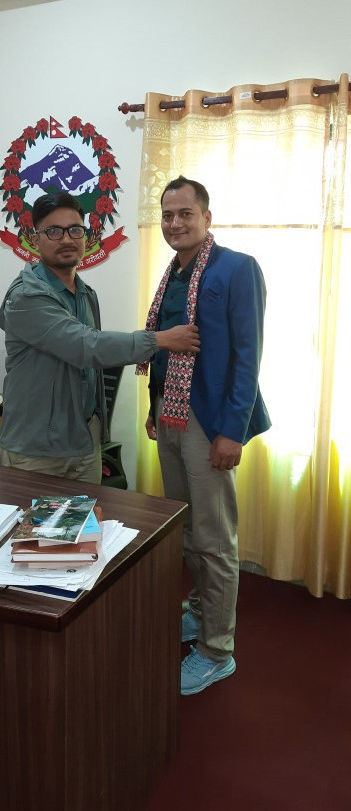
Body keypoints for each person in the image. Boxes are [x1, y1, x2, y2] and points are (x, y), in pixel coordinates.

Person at [139, 176, 271, 695]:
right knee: (186, 528)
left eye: (185, 213)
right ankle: (199, 610)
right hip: (170, 415)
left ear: (207, 217)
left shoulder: (236, 268)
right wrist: (154, 409)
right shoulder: (173, 274)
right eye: (167, 215)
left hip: (210, 421)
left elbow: (247, 356)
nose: (175, 223)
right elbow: (164, 347)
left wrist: (231, 432)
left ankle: (217, 651)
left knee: (214, 538)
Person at [0, 191, 200, 483]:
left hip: (83, 444)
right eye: (53, 231)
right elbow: (86, 346)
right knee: (34, 517)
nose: (66, 239)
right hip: (36, 451)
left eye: (75, 230)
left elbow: (90, 368)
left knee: (91, 515)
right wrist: (158, 339)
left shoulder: (84, 293)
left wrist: (98, 430)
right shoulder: (26, 296)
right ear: (35, 239)